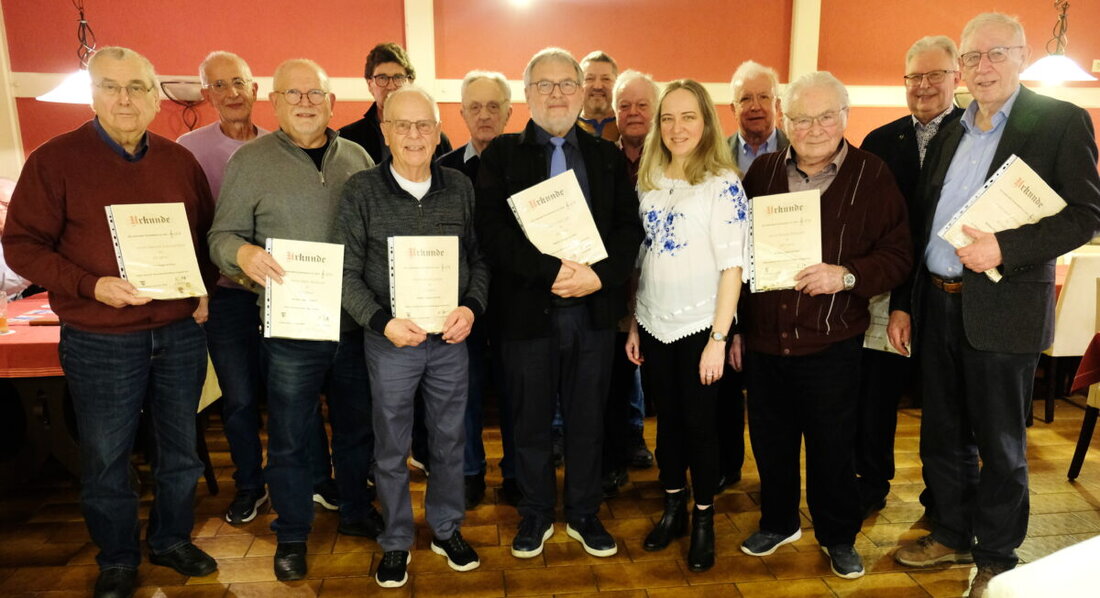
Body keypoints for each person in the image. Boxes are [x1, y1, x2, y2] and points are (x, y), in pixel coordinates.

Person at [891, 13, 1100, 597]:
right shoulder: (951, 130)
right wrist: (906, 304)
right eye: (972, 57)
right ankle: (952, 533)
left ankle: (998, 556)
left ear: (1022, 56)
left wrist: (1004, 247)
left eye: (996, 54)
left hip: (1005, 311)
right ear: (961, 66)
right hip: (937, 303)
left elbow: (1087, 215)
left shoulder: (1058, 122)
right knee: (942, 434)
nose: (983, 68)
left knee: (1001, 444)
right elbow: (923, 226)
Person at [3, 46, 219, 598]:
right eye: (111, 86)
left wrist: (204, 287)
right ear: (93, 95)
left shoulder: (178, 162)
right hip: (100, 339)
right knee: (105, 458)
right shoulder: (54, 161)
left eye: (137, 87)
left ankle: (171, 539)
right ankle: (118, 558)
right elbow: (21, 245)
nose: (125, 99)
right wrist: (90, 284)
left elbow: (203, 236)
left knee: (181, 451)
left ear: (155, 98)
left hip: (177, 334)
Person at [208, 58, 380, 582]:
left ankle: (355, 511)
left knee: (357, 429)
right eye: (294, 94)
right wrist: (242, 255)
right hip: (290, 330)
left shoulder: (357, 156)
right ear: (274, 101)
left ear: (332, 102)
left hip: (353, 326)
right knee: (289, 437)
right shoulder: (250, 161)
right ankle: (292, 533)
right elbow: (220, 237)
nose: (305, 102)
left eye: (315, 93)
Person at [735, 71, 911, 580]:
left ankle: (838, 536)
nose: (813, 128)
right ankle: (778, 521)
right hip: (766, 341)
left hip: (832, 342)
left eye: (826, 117)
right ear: (784, 120)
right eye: (801, 118)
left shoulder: (872, 175)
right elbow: (736, 255)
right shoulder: (762, 172)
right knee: (770, 442)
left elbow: (899, 255)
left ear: (845, 117)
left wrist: (847, 275)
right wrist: (737, 329)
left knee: (834, 449)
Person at [476, 47, 643, 560]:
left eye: (566, 84)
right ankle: (536, 513)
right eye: (544, 85)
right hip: (527, 315)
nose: (556, 94)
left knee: (588, 420)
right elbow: (493, 233)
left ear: (581, 91)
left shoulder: (606, 157)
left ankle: (585, 513)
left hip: (591, 314)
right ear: (527, 94)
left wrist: (597, 278)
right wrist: (550, 273)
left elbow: (628, 230)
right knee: (528, 422)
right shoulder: (501, 155)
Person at [339, 85, 490, 588]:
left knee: (449, 439)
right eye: (401, 125)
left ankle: (446, 528)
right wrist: (381, 321)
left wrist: (471, 307)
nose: (413, 135)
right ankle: (397, 539)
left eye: (423, 124)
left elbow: (479, 260)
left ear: (438, 130)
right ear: (385, 131)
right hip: (390, 343)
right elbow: (346, 274)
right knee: (391, 446)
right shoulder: (361, 190)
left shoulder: (460, 187)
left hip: (449, 340)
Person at [624, 79, 746, 573]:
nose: (677, 128)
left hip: (700, 328)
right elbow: (641, 257)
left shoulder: (722, 183)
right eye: (668, 118)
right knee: (668, 426)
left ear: (706, 122)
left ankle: (703, 519)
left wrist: (718, 338)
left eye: (688, 117)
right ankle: (672, 506)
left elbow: (733, 267)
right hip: (654, 323)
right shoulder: (650, 177)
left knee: (700, 428)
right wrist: (634, 322)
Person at [857, 35, 963, 519]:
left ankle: (942, 497)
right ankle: (870, 482)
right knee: (876, 395)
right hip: (888, 291)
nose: (923, 86)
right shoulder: (880, 141)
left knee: (945, 402)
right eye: (915, 76)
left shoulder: (973, 134)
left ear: (956, 76)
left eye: (934, 75)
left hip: (950, 289)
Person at [177, 50, 272, 525]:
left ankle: (303, 479)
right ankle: (250, 485)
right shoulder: (188, 149)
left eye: (239, 82)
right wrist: (197, 291)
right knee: (238, 398)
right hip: (223, 294)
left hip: (279, 292)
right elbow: (184, 227)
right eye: (219, 85)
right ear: (206, 93)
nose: (232, 93)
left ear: (254, 89)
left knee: (291, 392)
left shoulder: (280, 145)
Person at [438, 70, 519, 509]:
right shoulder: (444, 170)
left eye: (493, 106)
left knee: (516, 392)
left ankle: (516, 472)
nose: (484, 115)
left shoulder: (527, 164)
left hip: (515, 298)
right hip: (459, 302)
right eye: (475, 107)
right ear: (462, 113)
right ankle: (470, 472)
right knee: (462, 393)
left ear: (508, 112)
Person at [602, 69, 658, 499]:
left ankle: (675, 474)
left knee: (668, 387)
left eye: (642, 105)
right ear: (614, 113)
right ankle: (613, 461)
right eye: (625, 106)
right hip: (618, 292)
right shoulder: (602, 160)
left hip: (666, 291)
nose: (633, 112)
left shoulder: (674, 158)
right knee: (614, 383)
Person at [340, 42, 452, 163]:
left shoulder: (437, 140)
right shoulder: (348, 138)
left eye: (398, 78)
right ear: (370, 85)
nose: (391, 86)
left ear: (410, 83)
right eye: (382, 78)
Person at [727, 60, 788, 174]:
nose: (755, 107)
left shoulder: (796, 150)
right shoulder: (715, 154)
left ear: (777, 105)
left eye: (763, 97)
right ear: (734, 109)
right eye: (746, 98)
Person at [576, 51, 619, 142]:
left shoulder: (626, 127)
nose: (597, 86)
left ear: (617, 84)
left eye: (606, 79)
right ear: (578, 84)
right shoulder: (567, 129)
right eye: (589, 78)